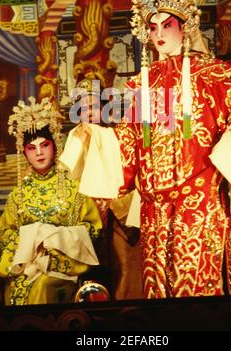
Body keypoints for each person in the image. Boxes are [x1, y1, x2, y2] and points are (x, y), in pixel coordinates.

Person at [60, 0, 231, 298]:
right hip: (155, 206)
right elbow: (128, 146)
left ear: (184, 27)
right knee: (159, 291)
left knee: (196, 287)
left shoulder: (212, 76)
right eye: (152, 26)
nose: (158, 34)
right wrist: (96, 137)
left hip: (200, 199)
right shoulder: (143, 84)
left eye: (166, 25)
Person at [0, 96, 102, 305]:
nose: (39, 152)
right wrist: (30, 242)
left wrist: (55, 240)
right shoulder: (18, 195)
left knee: (44, 285)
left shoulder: (74, 189)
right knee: (20, 288)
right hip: (25, 268)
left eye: (44, 145)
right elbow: (3, 233)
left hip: (63, 269)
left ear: (55, 146)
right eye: (31, 148)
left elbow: (93, 228)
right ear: (24, 152)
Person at [70, 79, 144, 300]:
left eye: (93, 107)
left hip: (118, 219)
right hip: (86, 221)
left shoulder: (120, 138)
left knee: (126, 282)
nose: (88, 113)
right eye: (82, 109)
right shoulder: (74, 140)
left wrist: (112, 203)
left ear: (104, 108)